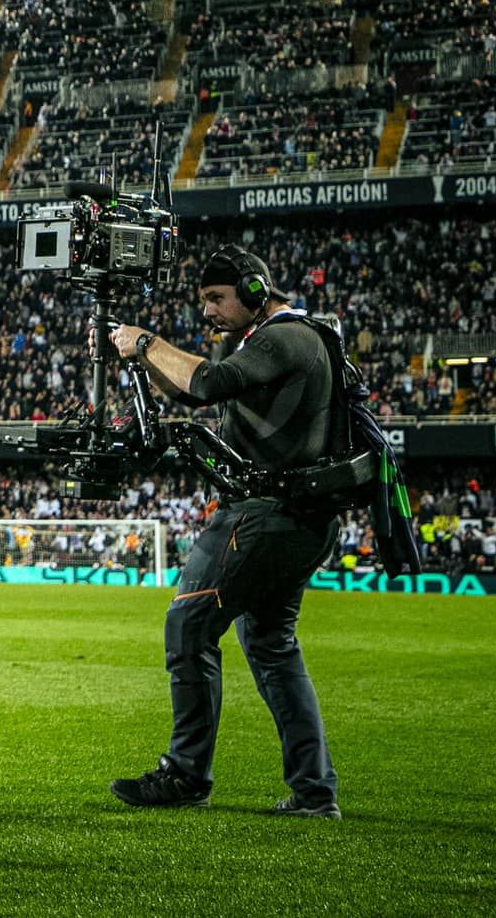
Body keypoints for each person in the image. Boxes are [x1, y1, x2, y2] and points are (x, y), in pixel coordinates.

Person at [104, 244, 345, 819]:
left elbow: (209, 383)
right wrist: (146, 362)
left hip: (265, 517)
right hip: (298, 519)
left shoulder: (285, 337)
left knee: (189, 626)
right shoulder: (292, 339)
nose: (208, 311)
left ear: (256, 290)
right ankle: (314, 793)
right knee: (271, 647)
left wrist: (145, 342)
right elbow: (195, 389)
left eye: (217, 298)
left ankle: (186, 775)